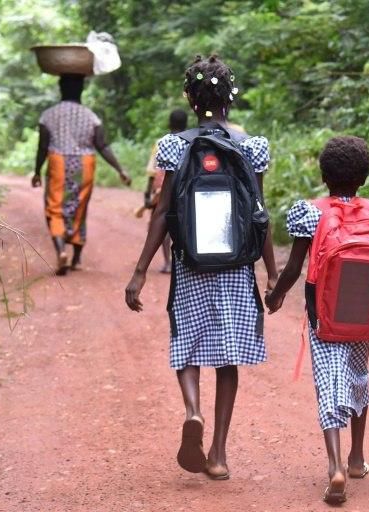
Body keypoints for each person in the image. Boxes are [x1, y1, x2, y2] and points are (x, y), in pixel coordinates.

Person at [124, 55, 278, 480]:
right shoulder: (251, 147)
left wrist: (140, 272)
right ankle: (219, 454)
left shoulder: (177, 145)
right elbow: (260, 214)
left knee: (186, 342)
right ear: (231, 97)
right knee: (227, 359)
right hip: (236, 268)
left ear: (190, 98)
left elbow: (162, 212)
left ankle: (193, 411)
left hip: (190, 265)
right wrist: (272, 273)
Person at [264, 136, 369, 505]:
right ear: (364, 177)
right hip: (365, 315)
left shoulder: (310, 212)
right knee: (357, 374)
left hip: (325, 316)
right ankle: (356, 458)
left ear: (323, 176)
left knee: (329, 383)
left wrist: (275, 296)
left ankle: (334, 465)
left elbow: (293, 268)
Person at [32, 73, 131, 275]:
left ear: (61, 88)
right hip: (85, 164)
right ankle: (76, 258)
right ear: (81, 90)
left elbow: (43, 146)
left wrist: (37, 171)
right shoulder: (91, 116)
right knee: (79, 207)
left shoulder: (48, 115)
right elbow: (102, 145)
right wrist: (120, 169)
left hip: (58, 162)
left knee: (56, 208)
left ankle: (61, 252)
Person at [139, 109, 189, 273]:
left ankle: (168, 262)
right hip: (184, 191)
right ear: (186, 124)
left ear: (169, 123)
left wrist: (147, 193)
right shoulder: (191, 142)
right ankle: (183, 262)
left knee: (164, 225)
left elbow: (153, 169)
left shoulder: (162, 142)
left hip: (162, 191)